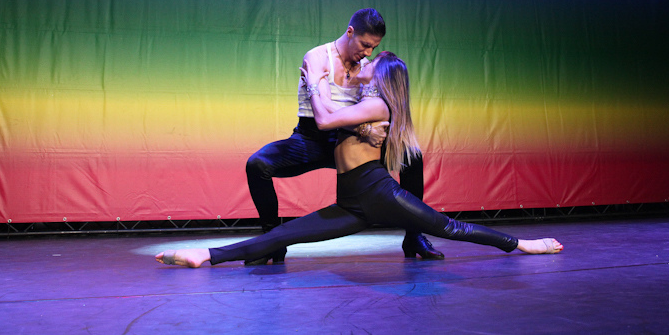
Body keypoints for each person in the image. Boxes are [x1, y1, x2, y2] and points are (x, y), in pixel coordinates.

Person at [156, 51, 563, 268]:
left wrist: (315, 82)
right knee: (285, 235)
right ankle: (205, 255)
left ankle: (524, 245)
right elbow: (333, 116)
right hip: (352, 202)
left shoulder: (378, 105)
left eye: (374, 58)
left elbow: (325, 118)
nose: (366, 59)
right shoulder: (363, 104)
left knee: (449, 227)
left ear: (383, 76)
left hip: (378, 193)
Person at [242, 8, 443, 264]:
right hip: (312, 138)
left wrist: (366, 130)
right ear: (350, 32)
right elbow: (324, 114)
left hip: (351, 145)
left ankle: (414, 236)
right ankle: (270, 242)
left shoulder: (369, 68)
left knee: (411, 157)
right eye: (365, 45)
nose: (368, 52)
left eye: (374, 47)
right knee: (257, 165)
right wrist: (364, 129)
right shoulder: (318, 57)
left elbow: (376, 110)